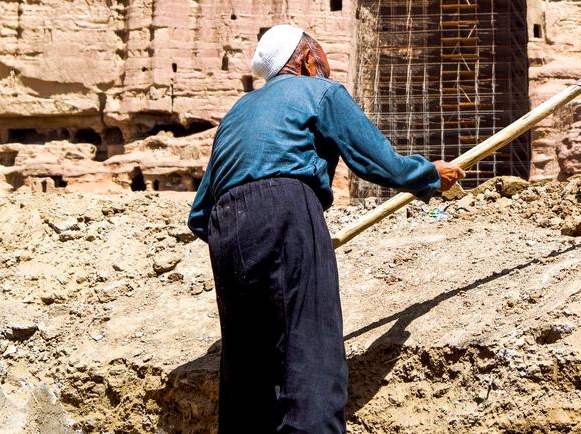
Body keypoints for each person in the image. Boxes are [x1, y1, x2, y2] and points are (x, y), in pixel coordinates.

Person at [188, 24, 464, 433]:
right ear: (308, 59)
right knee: (308, 354)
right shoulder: (321, 91)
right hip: (286, 205)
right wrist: (428, 173)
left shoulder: (236, 113)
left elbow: (199, 214)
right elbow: (377, 162)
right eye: (325, 58)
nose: (329, 67)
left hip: (224, 230)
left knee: (245, 375)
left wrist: (248, 238)